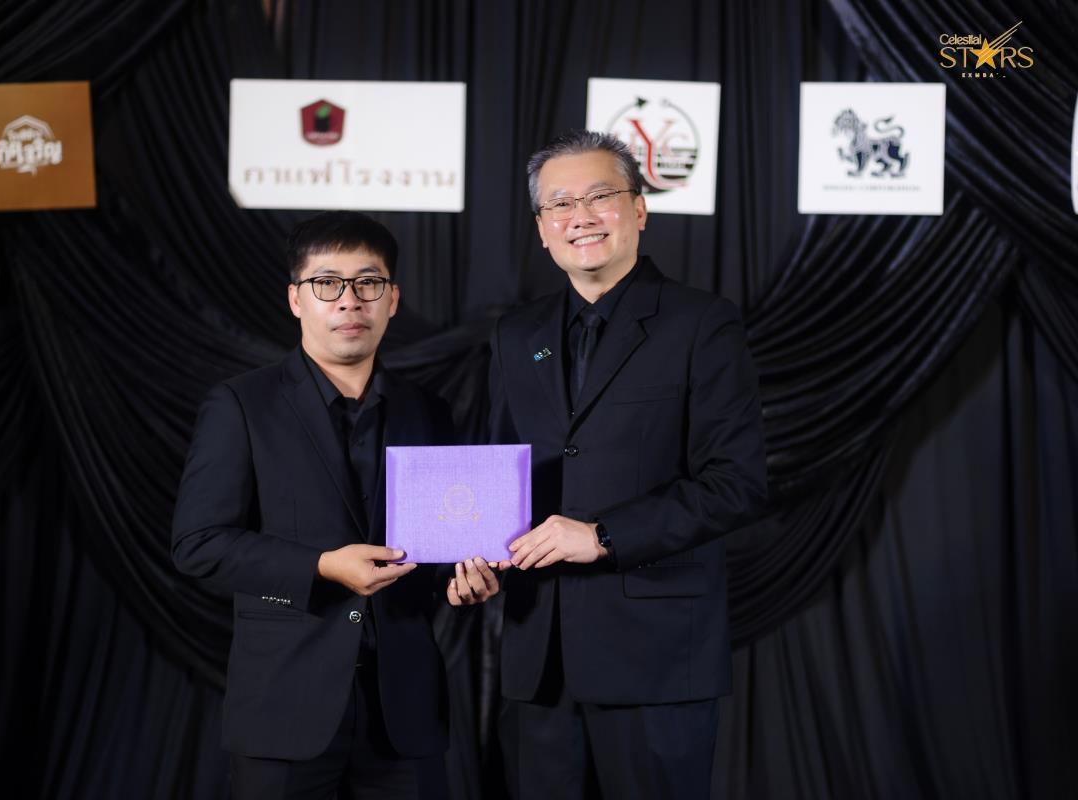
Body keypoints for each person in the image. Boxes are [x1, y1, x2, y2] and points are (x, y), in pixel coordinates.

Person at [172, 210, 500, 800]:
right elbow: (199, 545)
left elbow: (435, 549)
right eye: (327, 283)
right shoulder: (242, 405)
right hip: (284, 706)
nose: (350, 300)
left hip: (404, 710)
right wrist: (322, 566)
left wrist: (460, 583)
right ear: (296, 299)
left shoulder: (428, 411)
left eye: (368, 282)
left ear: (392, 299)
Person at [489, 131, 768, 799]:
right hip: (539, 658)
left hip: (656, 658)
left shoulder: (702, 324)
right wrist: (471, 556)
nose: (580, 217)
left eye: (600, 196)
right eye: (560, 204)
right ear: (542, 230)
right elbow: (501, 471)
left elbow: (736, 484)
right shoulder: (516, 335)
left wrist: (602, 536)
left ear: (639, 209)